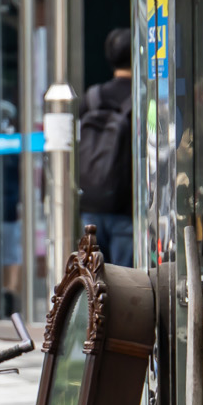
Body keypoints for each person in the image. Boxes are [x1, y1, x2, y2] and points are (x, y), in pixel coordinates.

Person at [77, 28, 135, 267]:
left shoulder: (92, 97)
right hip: (126, 206)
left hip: (91, 203)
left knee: (93, 280)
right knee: (126, 284)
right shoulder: (140, 97)